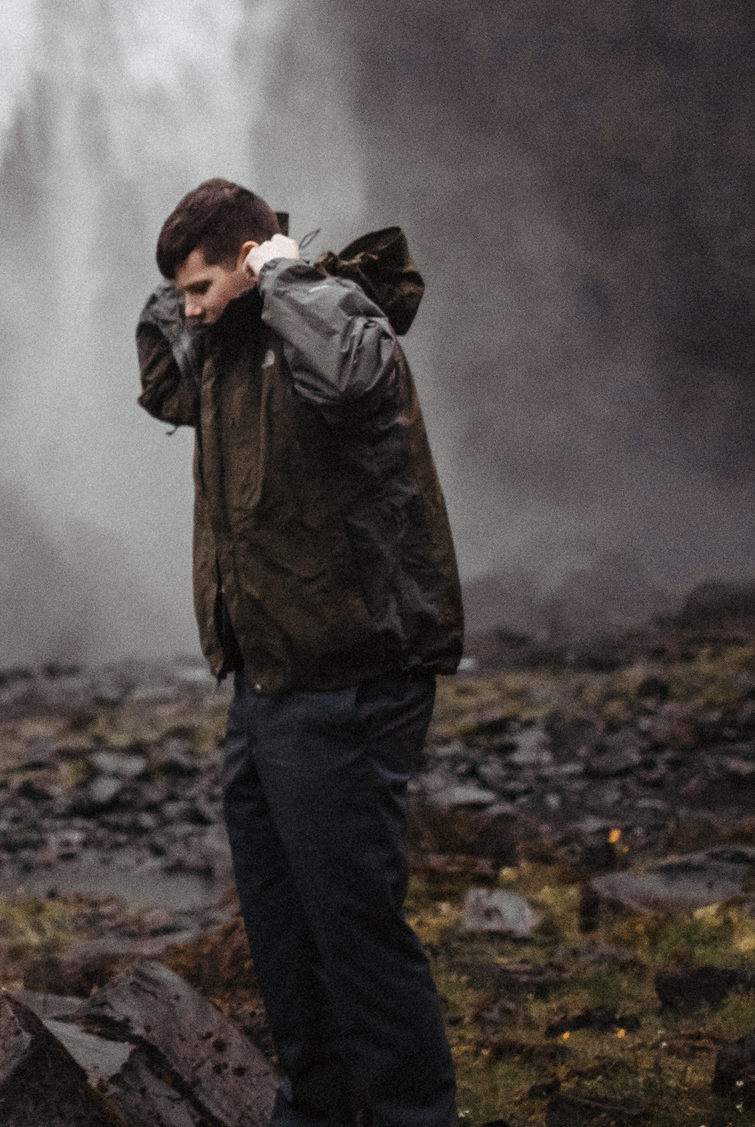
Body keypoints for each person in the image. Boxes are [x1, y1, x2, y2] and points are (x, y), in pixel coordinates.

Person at [136, 180, 466, 1127]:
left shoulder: (335, 317)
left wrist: (279, 270)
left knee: (358, 936)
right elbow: (163, 382)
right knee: (284, 936)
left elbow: (359, 376)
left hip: (350, 680)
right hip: (268, 685)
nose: (190, 309)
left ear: (252, 259)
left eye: (202, 285)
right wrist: (194, 294)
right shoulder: (232, 352)